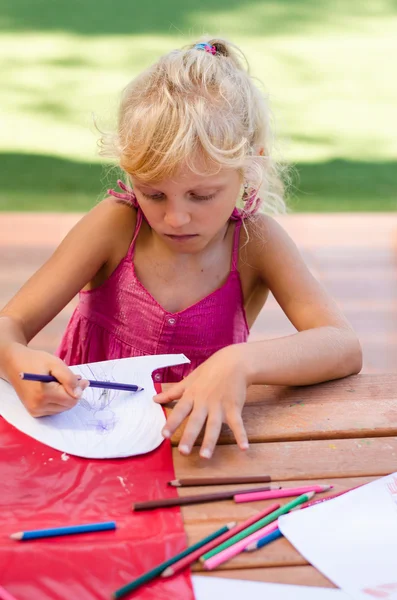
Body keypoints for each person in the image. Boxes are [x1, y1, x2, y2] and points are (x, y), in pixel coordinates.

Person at [0, 38, 362, 459]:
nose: (175, 218)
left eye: (202, 195)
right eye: (154, 194)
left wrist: (240, 363)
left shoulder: (255, 243)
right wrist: (16, 360)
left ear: (253, 166)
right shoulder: (116, 225)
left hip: (198, 450)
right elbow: (9, 324)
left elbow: (342, 345)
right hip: (89, 439)